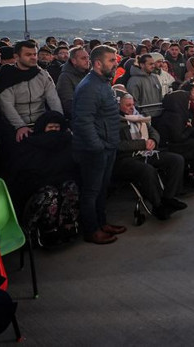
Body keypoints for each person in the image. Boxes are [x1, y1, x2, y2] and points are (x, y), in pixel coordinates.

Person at [71, 45, 125, 245]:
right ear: (97, 63)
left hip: (107, 146)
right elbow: (83, 121)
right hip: (94, 150)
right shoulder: (89, 87)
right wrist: (97, 146)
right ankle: (91, 230)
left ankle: (102, 223)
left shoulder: (103, 83)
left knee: (102, 189)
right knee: (91, 191)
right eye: (111, 60)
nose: (116, 63)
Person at [6, 111, 80, 246]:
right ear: (42, 128)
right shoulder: (28, 145)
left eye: (57, 128)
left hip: (61, 183)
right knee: (50, 193)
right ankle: (41, 232)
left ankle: (67, 227)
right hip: (37, 188)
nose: (54, 131)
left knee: (70, 187)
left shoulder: (67, 143)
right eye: (50, 128)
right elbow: (22, 173)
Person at [114, 94, 187, 220]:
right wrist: (142, 143)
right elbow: (118, 145)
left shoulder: (139, 117)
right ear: (119, 105)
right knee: (148, 170)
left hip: (147, 152)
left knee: (177, 160)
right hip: (127, 158)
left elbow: (153, 131)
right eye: (128, 105)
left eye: (132, 104)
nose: (132, 108)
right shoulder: (115, 121)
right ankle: (158, 206)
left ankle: (168, 198)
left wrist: (153, 139)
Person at [0, 40, 63, 143]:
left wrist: (59, 120)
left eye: (35, 54)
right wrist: (20, 126)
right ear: (17, 57)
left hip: (41, 122)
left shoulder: (42, 75)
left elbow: (53, 99)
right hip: (14, 125)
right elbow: (6, 105)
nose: (33, 57)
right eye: (28, 54)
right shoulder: (7, 76)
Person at [56, 46, 90, 119]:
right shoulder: (65, 77)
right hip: (79, 118)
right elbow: (69, 104)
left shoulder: (90, 74)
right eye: (83, 58)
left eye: (88, 57)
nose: (87, 61)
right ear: (74, 61)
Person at [126, 53, 164, 118]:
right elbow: (133, 101)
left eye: (153, 63)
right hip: (143, 117)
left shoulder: (154, 77)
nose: (153, 66)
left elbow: (160, 95)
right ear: (142, 65)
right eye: (150, 64)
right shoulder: (134, 80)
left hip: (158, 115)